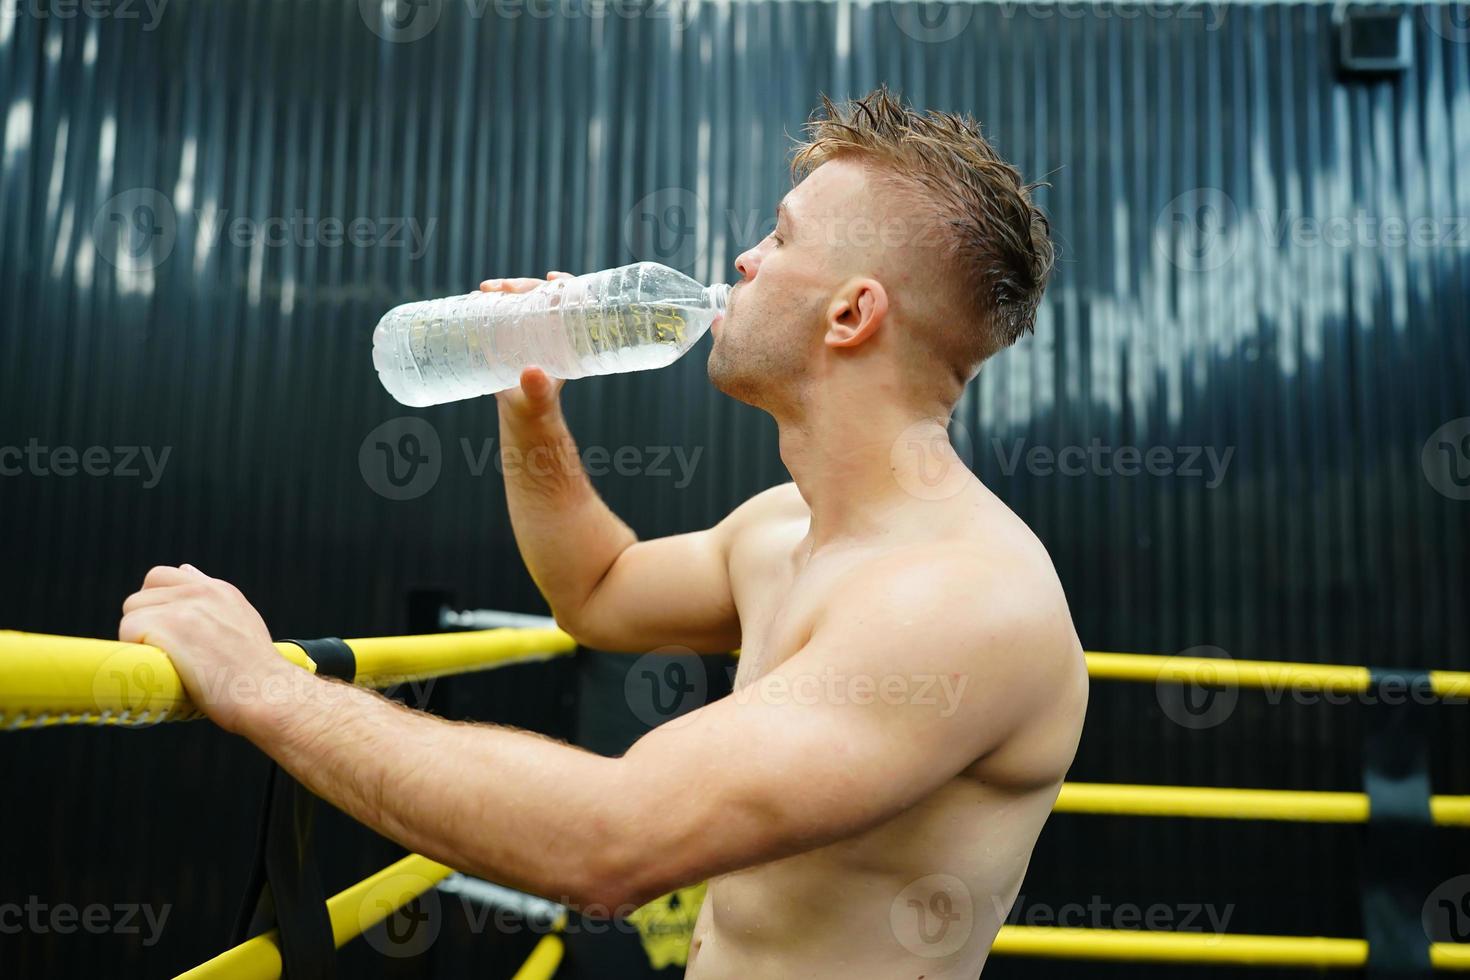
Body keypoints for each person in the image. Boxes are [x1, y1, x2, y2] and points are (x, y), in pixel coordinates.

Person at [120, 87, 1087, 978]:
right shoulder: (785, 526)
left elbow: (607, 841)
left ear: (851, 313)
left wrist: (260, 687)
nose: (745, 259)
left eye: (781, 238)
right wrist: (526, 396)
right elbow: (598, 589)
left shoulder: (959, 601)